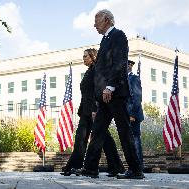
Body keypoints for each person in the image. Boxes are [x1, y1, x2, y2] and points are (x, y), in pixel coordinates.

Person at [81, 9, 144, 179]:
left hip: (114, 93)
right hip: (104, 96)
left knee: (124, 131)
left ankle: (136, 170)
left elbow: (119, 63)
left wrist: (110, 87)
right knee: (98, 131)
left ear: (107, 20)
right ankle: (90, 168)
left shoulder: (118, 36)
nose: (94, 25)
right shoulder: (105, 39)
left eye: (97, 21)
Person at [61, 48, 124, 177]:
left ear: (93, 57)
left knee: (104, 138)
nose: (83, 58)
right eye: (83, 56)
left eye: (86, 56)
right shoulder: (89, 71)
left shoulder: (97, 70)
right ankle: (74, 166)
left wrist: (96, 109)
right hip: (85, 110)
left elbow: (98, 90)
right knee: (80, 138)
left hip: (94, 110)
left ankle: (116, 167)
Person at [127, 60, 144, 170]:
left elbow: (137, 97)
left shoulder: (134, 78)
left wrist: (132, 114)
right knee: (129, 141)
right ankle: (133, 166)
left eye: (126, 64)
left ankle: (138, 166)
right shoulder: (122, 79)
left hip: (133, 115)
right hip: (125, 115)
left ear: (130, 66)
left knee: (135, 140)